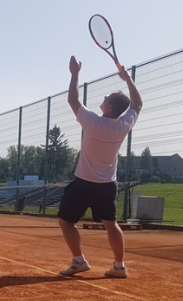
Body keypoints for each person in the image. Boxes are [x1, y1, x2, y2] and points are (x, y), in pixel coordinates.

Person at [58, 56, 143, 278]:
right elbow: (138, 104)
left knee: (66, 222)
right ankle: (119, 266)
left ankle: (78, 261)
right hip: (107, 185)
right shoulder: (124, 125)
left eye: (106, 98)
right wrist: (128, 79)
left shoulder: (92, 121)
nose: (103, 98)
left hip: (84, 183)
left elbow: (73, 100)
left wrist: (74, 74)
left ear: (109, 107)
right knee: (111, 224)